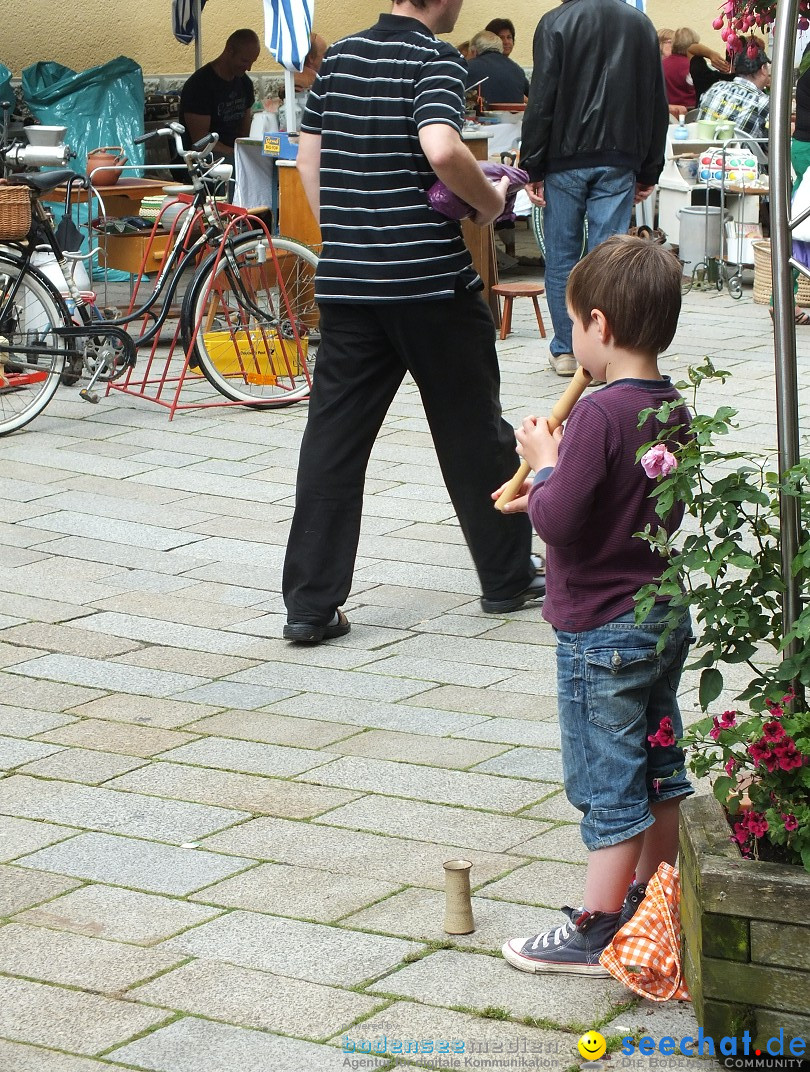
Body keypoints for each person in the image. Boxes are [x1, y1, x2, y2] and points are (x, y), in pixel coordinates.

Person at [281, 0, 544, 644]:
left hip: (348, 284)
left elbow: (309, 160)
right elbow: (441, 146)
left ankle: (311, 608)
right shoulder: (435, 58)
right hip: (429, 283)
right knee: (471, 429)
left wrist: (347, 235)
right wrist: (488, 207)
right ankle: (507, 576)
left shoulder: (338, 57)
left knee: (333, 442)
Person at [498, 235, 693, 974]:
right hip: (660, 613)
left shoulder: (597, 417)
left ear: (600, 327)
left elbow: (562, 520)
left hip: (601, 630)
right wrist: (554, 490)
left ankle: (598, 926)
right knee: (658, 760)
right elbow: (625, 505)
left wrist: (545, 469)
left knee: (607, 778)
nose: (574, 335)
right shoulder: (670, 404)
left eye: (574, 322)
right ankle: (657, 895)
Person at [520, 0, 668, 378]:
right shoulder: (640, 24)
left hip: (563, 157)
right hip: (620, 156)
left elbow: (542, 99)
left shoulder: (554, 22)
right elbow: (656, 100)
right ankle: (609, 349)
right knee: (611, 260)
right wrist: (650, 166)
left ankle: (566, 350)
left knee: (561, 257)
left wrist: (532, 164)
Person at [179, 28, 261, 161]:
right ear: (229, 50)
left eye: (252, 62)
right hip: (204, 158)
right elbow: (200, 141)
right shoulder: (199, 85)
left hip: (234, 153)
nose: (249, 68)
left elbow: (244, 132)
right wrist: (235, 153)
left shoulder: (245, 83)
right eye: (245, 61)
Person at [698, 47, 771, 144]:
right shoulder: (763, 102)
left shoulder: (715, 87)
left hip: (703, 153)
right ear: (763, 69)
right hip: (741, 157)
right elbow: (772, 141)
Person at [466, 31, 529, 104]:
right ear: (501, 48)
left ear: (474, 51)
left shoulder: (468, 68)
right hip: (513, 115)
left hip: (481, 114)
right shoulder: (518, 70)